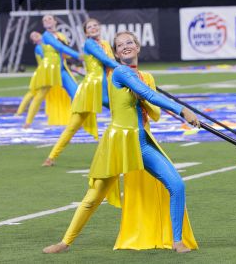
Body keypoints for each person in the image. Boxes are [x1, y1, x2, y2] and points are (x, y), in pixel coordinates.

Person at [42, 31, 200, 254]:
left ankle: (177, 241)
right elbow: (150, 95)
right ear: (116, 53)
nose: (125, 46)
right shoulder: (120, 72)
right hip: (118, 143)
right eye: (119, 45)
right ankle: (64, 242)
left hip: (141, 143)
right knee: (94, 196)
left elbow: (152, 108)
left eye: (129, 42)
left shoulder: (143, 76)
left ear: (137, 47)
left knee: (177, 185)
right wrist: (182, 110)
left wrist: (148, 97)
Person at [42, 18, 119, 167]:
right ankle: (51, 157)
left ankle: (118, 151)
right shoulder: (89, 43)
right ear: (85, 32)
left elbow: (110, 62)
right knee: (74, 125)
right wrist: (126, 69)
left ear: (100, 27)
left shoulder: (105, 44)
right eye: (89, 27)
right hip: (91, 89)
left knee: (123, 116)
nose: (93, 28)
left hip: (105, 87)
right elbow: (106, 60)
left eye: (95, 25)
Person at [23, 15, 81, 128]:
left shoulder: (61, 36)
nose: (47, 21)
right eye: (44, 20)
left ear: (55, 21)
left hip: (62, 69)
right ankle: (28, 121)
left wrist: (73, 63)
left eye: (49, 19)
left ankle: (78, 119)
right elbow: (61, 48)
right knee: (40, 95)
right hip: (50, 70)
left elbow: (65, 54)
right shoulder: (46, 36)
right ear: (44, 24)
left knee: (76, 93)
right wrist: (78, 55)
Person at [15, 31, 43, 116]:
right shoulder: (39, 47)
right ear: (33, 41)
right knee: (33, 93)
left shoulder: (47, 44)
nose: (35, 35)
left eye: (36, 33)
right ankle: (19, 112)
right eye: (33, 36)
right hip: (42, 74)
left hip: (49, 72)